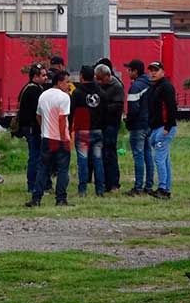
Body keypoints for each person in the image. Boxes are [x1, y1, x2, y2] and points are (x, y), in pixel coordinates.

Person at [26, 71, 72, 207]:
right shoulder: (64, 97)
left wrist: (44, 129)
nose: (68, 85)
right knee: (63, 169)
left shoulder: (43, 95)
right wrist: (65, 139)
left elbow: (38, 115)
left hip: (46, 137)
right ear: (59, 82)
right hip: (60, 138)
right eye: (66, 82)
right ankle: (61, 198)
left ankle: (36, 198)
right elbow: (62, 119)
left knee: (43, 168)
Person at [70, 65, 107, 197]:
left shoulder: (78, 93)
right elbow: (106, 111)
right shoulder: (101, 92)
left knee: (83, 161)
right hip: (98, 130)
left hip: (83, 131)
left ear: (81, 76)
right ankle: (100, 190)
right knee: (98, 160)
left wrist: (69, 129)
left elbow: (71, 112)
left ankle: (82, 190)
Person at [147, 61, 178, 199]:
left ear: (162, 72)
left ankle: (162, 188)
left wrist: (168, 126)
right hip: (156, 127)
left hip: (164, 127)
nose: (153, 73)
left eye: (156, 70)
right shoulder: (154, 87)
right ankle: (166, 188)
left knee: (159, 159)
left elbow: (172, 107)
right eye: (151, 70)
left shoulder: (166, 87)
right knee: (164, 160)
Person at [124, 59, 154, 196]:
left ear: (135, 71)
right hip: (149, 124)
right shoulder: (151, 83)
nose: (128, 72)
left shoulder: (136, 86)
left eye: (129, 70)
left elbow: (133, 109)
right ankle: (149, 185)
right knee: (148, 155)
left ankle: (138, 187)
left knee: (138, 156)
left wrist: (128, 121)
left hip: (138, 125)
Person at [17, 64, 49, 194]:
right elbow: (38, 112)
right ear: (35, 76)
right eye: (43, 75)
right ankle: (33, 186)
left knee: (35, 156)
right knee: (35, 157)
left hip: (30, 128)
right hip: (32, 128)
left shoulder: (29, 88)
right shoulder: (33, 91)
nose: (46, 78)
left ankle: (36, 184)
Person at [95, 64, 124, 193]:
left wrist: (103, 108)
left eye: (101, 79)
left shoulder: (117, 87)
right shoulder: (99, 85)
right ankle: (104, 181)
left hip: (112, 124)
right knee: (101, 153)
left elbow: (118, 107)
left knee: (109, 153)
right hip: (101, 124)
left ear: (108, 76)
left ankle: (113, 183)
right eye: (98, 79)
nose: (99, 82)